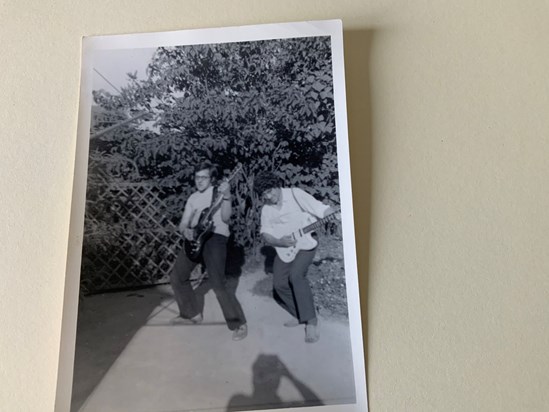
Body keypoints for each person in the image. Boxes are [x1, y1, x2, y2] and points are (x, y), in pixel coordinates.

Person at [254, 171, 337, 343]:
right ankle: (301, 314)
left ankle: (312, 322)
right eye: (264, 195)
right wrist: (279, 242)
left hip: (306, 242)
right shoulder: (266, 209)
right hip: (285, 247)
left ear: (276, 185)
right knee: (279, 284)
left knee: (296, 276)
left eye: (270, 191)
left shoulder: (295, 194)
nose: (269, 197)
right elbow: (265, 233)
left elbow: (320, 208)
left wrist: (333, 213)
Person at [170, 161, 247, 341]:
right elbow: (183, 222)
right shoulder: (193, 198)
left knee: (218, 283)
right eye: (197, 177)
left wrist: (227, 197)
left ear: (212, 179)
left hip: (215, 238)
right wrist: (185, 230)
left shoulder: (219, 192)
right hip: (195, 238)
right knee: (177, 276)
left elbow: (226, 219)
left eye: (204, 177)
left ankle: (238, 324)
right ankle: (192, 314)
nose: (200, 181)